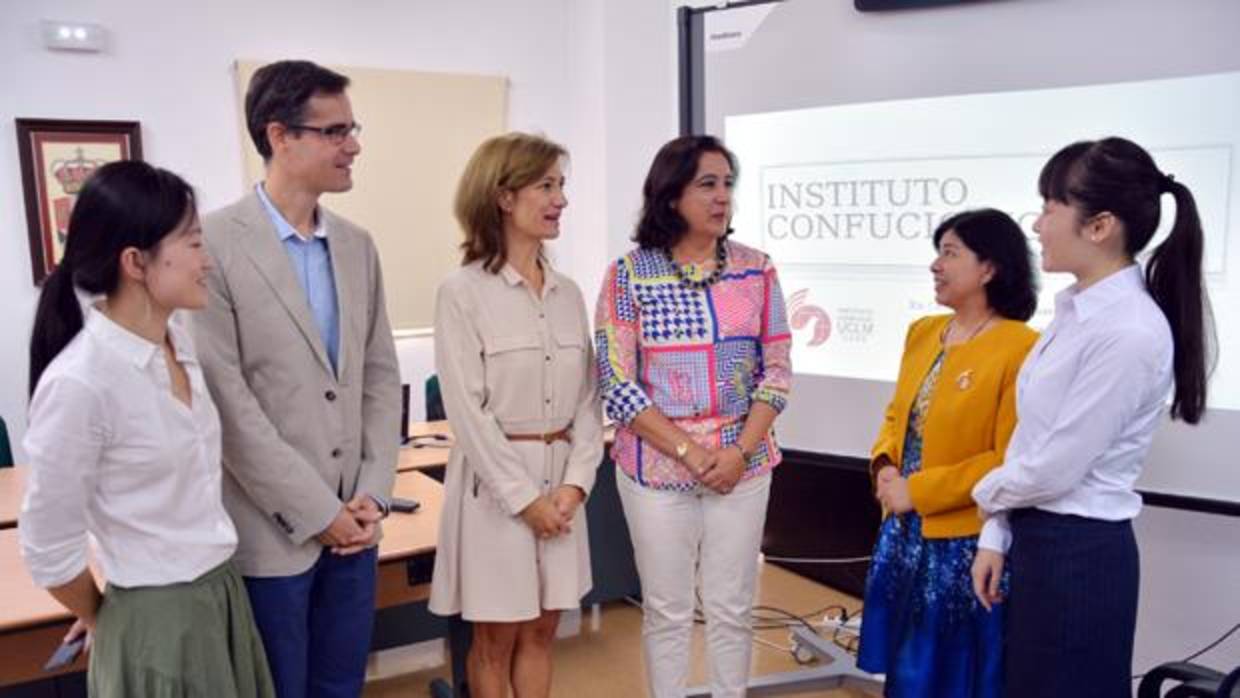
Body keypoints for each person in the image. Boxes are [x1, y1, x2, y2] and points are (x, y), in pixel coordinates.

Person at [20, 160, 275, 697]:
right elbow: (47, 546)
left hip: (221, 595)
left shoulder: (179, 345)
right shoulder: (81, 382)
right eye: (194, 244)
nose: (208, 261)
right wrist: (111, 616)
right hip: (156, 617)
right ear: (136, 262)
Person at [971, 137, 1212, 698]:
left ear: (1100, 225)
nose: (1037, 224)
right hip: (1041, 544)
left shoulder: (1129, 329)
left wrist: (983, 495)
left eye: (1051, 207)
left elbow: (1054, 468)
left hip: (1079, 559)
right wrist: (997, 533)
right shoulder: (1077, 310)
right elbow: (1032, 442)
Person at [192, 60, 401, 698]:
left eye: (352, 128)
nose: (354, 144)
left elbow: (378, 377)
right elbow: (229, 403)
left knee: (341, 686)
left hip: (355, 526)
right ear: (280, 136)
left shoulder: (357, 244)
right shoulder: (214, 244)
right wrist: (318, 513)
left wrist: (372, 494)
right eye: (336, 131)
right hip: (272, 531)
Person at [595, 135, 792, 698]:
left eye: (728, 183)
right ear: (671, 193)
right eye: (707, 184)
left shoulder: (757, 270)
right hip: (656, 470)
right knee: (667, 609)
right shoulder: (629, 274)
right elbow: (617, 382)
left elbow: (776, 369)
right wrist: (690, 451)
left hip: (743, 465)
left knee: (732, 607)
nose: (722, 196)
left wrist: (737, 452)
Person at [428, 132, 604, 698]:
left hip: (562, 492)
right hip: (497, 494)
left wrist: (575, 488)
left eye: (562, 186)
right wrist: (526, 502)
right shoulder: (462, 292)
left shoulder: (570, 294)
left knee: (543, 630)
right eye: (545, 186)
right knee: (495, 640)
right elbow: (467, 412)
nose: (560, 200)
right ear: (504, 198)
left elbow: (587, 402)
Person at [855, 209, 1039, 697]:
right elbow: (897, 417)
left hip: (962, 538)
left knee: (950, 671)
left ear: (989, 269)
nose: (936, 265)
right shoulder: (923, 331)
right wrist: (886, 467)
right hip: (902, 528)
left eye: (951, 253)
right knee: (904, 662)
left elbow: (1006, 457)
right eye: (938, 253)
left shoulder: (1022, 347)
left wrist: (917, 490)